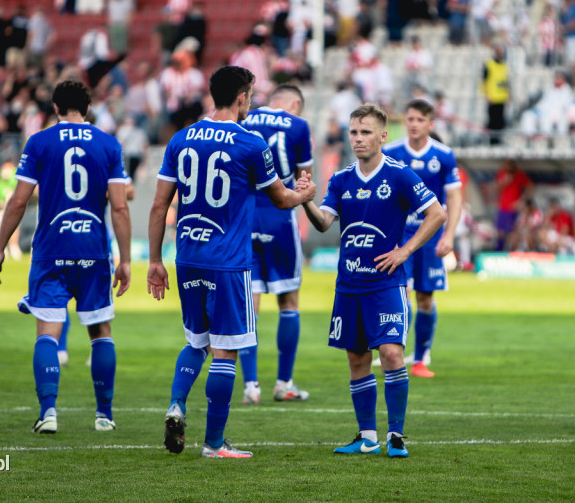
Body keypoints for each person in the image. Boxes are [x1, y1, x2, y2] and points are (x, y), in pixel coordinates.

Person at [147, 66, 316, 459]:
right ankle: (215, 443)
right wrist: (304, 192)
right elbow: (281, 199)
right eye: (251, 94)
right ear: (242, 96)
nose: (252, 101)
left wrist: (155, 259)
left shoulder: (181, 138)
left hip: (187, 256)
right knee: (226, 351)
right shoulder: (251, 143)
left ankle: (177, 403)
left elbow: (159, 206)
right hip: (228, 261)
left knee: (196, 341)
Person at [302, 103, 446, 459]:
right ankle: (367, 437)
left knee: (392, 353)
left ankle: (396, 435)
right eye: (353, 132)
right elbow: (323, 223)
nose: (358, 139)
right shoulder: (341, 179)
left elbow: (437, 213)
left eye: (366, 132)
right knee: (356, 359)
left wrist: (405, 251)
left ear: (383, 136)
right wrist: (305, 201)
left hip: (385, 284)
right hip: (349, 285)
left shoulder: (400, 175)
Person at [0, 79, 132, 435]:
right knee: (100, 331)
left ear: (54, 108)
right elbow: (119, 207)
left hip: (51, 249)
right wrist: (126, 259)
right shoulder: (108, 143)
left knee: (47, 334)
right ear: (88, 108)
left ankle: (49, 412)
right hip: (93, 250)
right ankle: (105, 415)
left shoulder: (39, 141)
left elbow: (19, 201)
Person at [239, 84, 315, 405]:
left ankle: (251, 387)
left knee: (249, 306)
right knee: (288, 302)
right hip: (281, 217)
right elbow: (304, 180)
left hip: (247, 218)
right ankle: (283, 383)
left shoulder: (244, 120)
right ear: (295, 103)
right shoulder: (298, 125)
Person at [383, 99, 462, 377]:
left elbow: (454, 197)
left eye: (419, 120)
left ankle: (421, 358)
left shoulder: (443, 155)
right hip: (399, 235)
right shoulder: (390, 153)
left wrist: (449, 235)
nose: (414, 124)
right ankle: (395, 353)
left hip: (430, 236)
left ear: (431, 124)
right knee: (398, 294)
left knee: (425, 298)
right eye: (410, 119)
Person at [482, 44, 509, 144]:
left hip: (501, 97)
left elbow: (505, 80)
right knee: (492, 121)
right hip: (493, 97)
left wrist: (508, 93)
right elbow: (485, 81)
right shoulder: (489, 64)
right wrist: (487, 95)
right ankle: (492, 141)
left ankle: (499, 139)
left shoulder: (504, 65)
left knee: (500, 121)